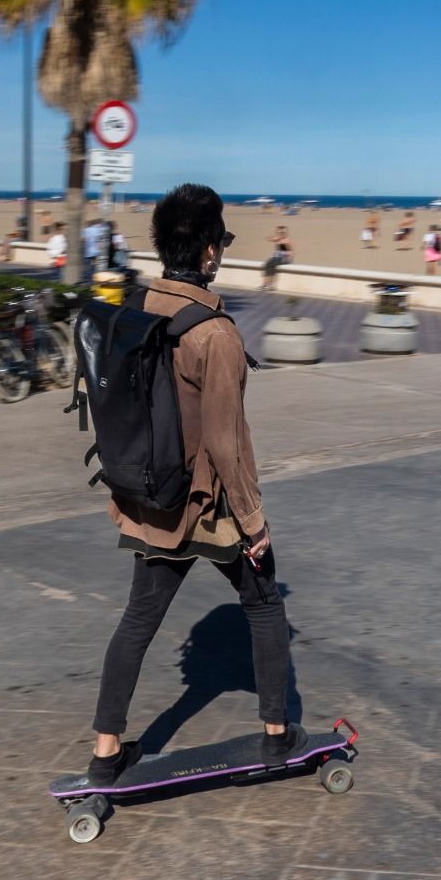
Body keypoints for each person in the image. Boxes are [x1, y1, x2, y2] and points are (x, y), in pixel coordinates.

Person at [85, 183, 299, 785]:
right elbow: (226, 443)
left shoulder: (138, 306)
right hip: (209, 505)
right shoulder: (216, 333)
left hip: (150, 494)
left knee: (137, 619)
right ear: (209, 252)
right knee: (264, 604)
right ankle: (278, 737)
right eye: (220, 244)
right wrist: (253, 524)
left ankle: (106, 752)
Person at [263, 225, 293, 291]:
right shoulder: (278, 239)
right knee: (268, 263)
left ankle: (268, 285)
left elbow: (290, 252)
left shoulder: (287, 240)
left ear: (286, 233)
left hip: (284, 259)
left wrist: (288, 258)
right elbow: (266, 238)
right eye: (280, 232)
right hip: (277, 258)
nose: (281, 234)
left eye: (283, 233)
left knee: (269, 263)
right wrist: (273, 231)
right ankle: (267, 285)